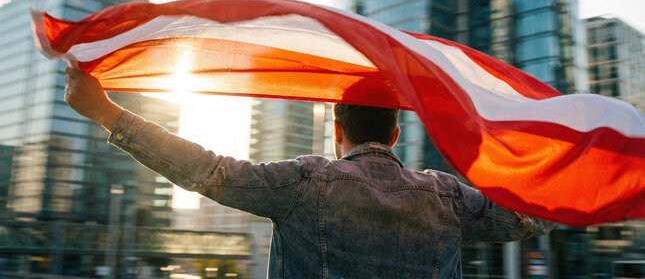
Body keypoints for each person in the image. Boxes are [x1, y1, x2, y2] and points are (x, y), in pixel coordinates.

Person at [64, 67, 554, 279]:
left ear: (336, 129)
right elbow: (530, 216)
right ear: (396, 134)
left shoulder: (304, 183)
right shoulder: (446, 198)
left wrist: (107, 112)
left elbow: (207, 171)